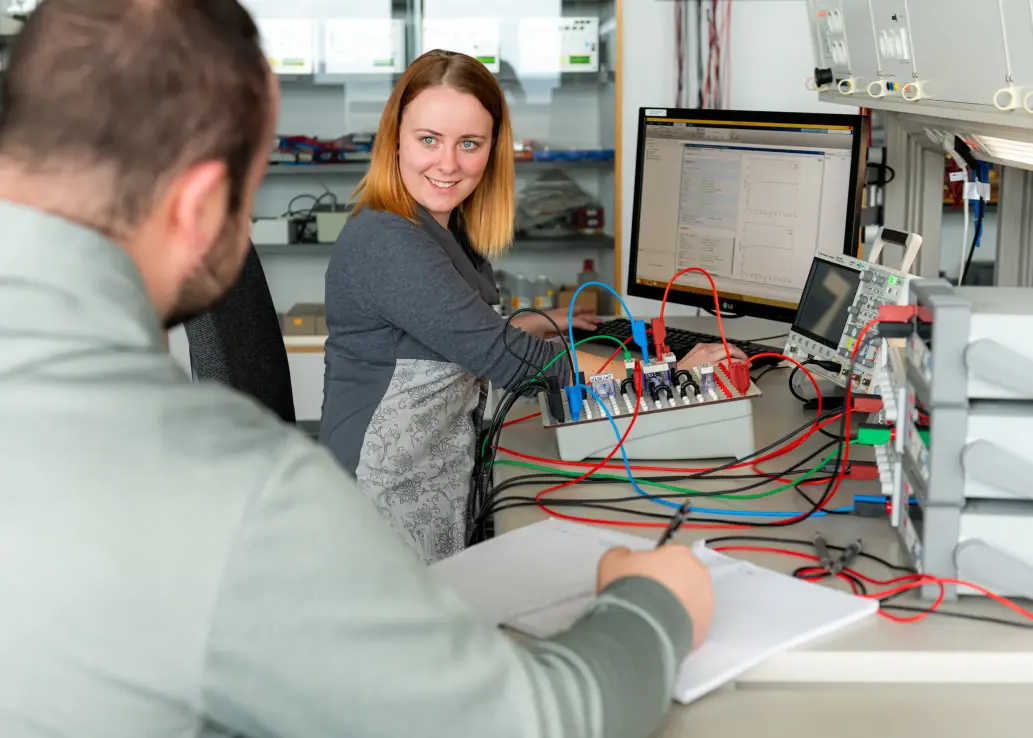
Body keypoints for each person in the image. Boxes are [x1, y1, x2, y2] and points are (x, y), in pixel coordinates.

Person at [0, 2, 717, 737]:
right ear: (199, 209)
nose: (447, 160)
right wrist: (650, 603)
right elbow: (532, 722)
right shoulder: (243, 495)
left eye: (469, 142)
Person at [320, 50, 746, 563]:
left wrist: (516, 325)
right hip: (382, 509)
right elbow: (515, 365)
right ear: (394, 139)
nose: (448, 163)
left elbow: (441, 327)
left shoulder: (435, 221)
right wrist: (670, 372)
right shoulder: (389, 241)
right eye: (428, 139)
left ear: (492, 149)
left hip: (440, 474)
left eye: (469, 144)